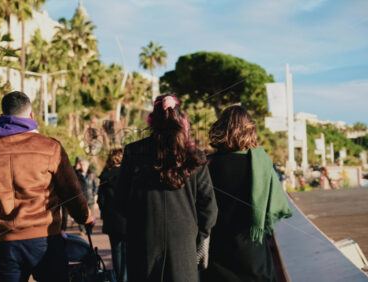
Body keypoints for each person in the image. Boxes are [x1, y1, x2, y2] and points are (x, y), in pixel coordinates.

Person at [0, 91, 94, 282]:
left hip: (5, 241)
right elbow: (70, 190)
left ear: (3, 114)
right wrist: (85, 217)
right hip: (45, 239)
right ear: (31, 116)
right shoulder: (50, 147)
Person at [116, 94, 218, 282]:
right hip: (183, 246)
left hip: (143, 243)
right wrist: (198, 235)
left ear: (151, 120)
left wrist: (129, 232)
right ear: (182, 119)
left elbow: (120, 201)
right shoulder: (196, 156)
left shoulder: (133, 152)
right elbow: (209, 208)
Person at [200, 105, 292, 282]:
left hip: (218, 252)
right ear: (250, 131)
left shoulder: (209, 165)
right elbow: (273, 209)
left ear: (221, 129)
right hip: (253, 252)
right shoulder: (262, 164)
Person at [97, 148, 127, 282]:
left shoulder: (105, 176)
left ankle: (118, 278)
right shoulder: (129, 174)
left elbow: (100, 201)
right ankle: (125, 278)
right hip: (127, 219)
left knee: (116, 252)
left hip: (112, 220)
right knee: (127, 253)